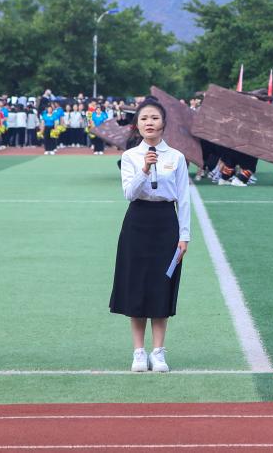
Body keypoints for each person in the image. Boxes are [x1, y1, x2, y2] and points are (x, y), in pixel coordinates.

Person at [110, 98, 191, 373]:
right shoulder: (130, 157)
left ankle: (158, 352)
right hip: (137, 223)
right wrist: (144, 169)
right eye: (144, 118)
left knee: (161, 286)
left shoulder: (176, 157)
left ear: (164, 123)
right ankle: (138, 352)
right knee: (136, 286)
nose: (149, 123)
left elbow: (184, 199)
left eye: (155, 118)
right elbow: (129, 193)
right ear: (137, 124)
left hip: (166, 223)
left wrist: (184, 236)